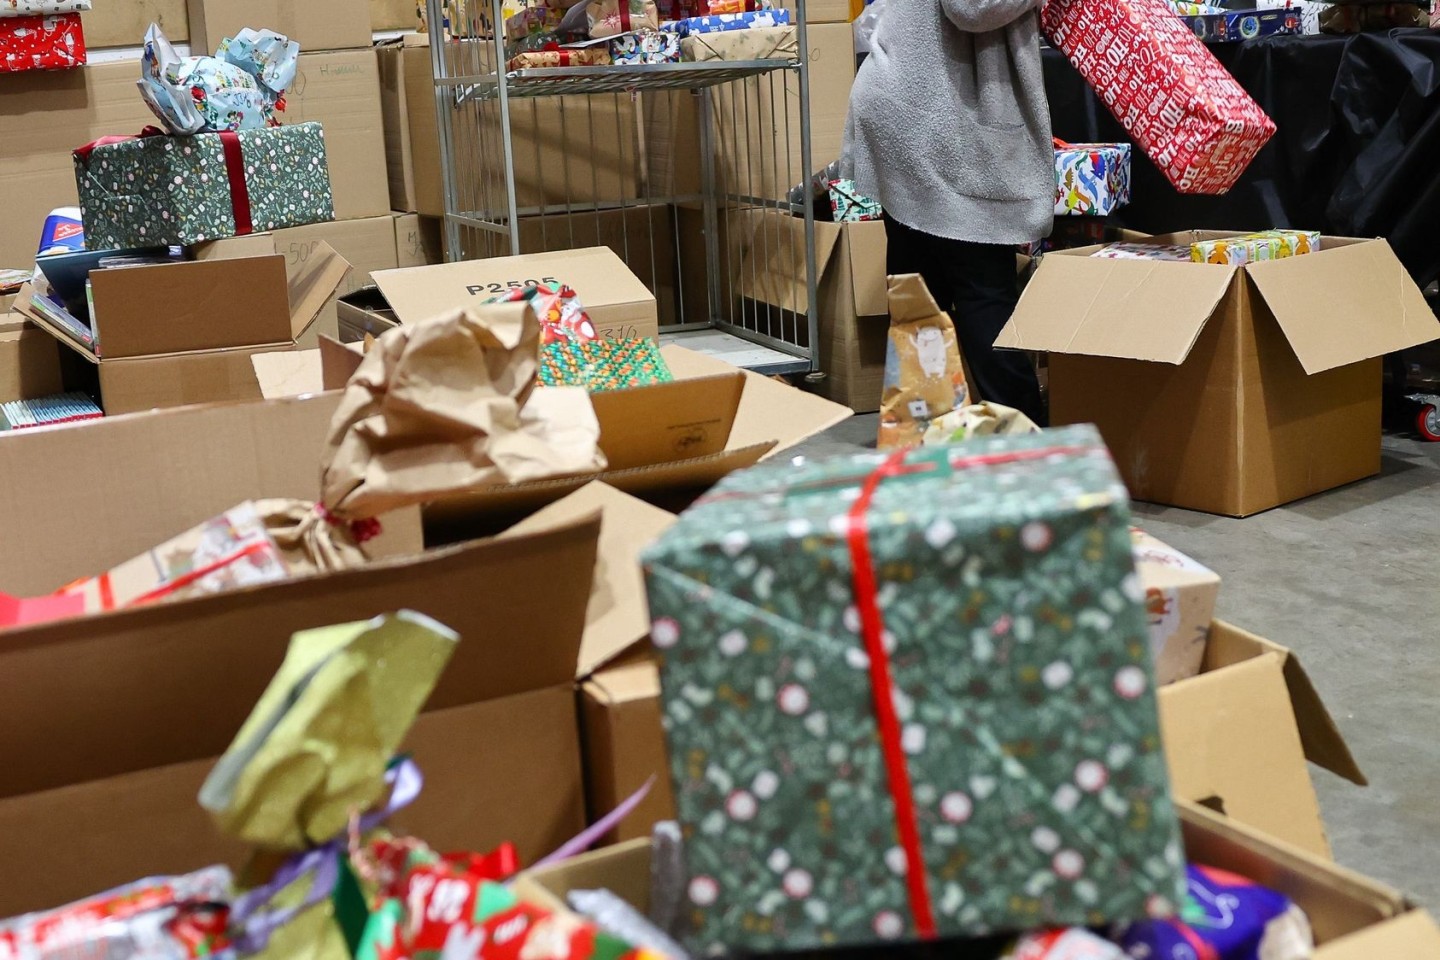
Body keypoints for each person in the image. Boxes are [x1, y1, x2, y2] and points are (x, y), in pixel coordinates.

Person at [841, 0, 1051, 426]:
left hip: (911, 106)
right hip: (935, 121)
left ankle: (925, 434)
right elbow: (971, 7)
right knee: (981, 289)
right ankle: (1025, 443)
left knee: (921, 289)